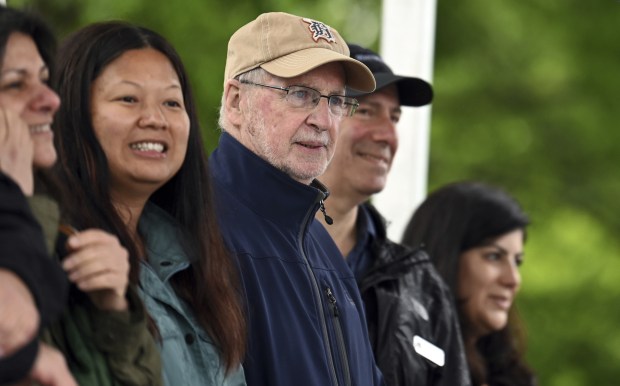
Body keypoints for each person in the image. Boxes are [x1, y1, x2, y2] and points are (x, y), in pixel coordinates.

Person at [52, 21, 246, 385]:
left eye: (172, 103)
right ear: (71, 113)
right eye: (128, 99)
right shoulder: (51, 249)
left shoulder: (198, 262)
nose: (155, 119)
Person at [211, 11, 384, 386]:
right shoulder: (197, 225)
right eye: (301, 94)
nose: (323, 120)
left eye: (336, 101)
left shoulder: (321, 244)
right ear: (236, 100)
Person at [316, 43, 471, 386]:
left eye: (395, 117)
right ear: (316, 116)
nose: (388, 135)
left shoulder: (422, 285)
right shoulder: (251, 253)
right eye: (368, 111)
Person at [0, 5, 75, 385]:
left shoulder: (62, 223)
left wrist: (118, 315)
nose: (50, 99)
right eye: (16, 83)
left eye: (45, 80)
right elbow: (11, 328)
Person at [402, 181, 536, 386]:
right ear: (445, 258)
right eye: (493, 256)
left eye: (517, 261)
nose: (513, 279)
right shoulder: (396, 364)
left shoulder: (509, 374)